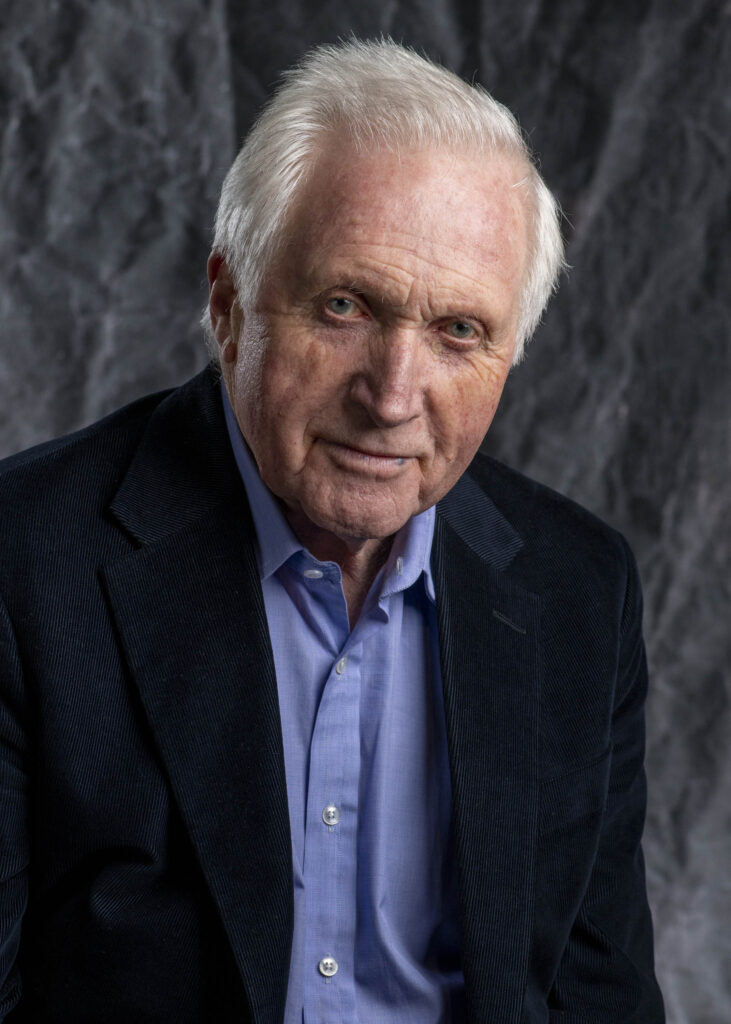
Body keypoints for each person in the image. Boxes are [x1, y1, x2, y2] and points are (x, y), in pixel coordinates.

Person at [0, 38, 664, 1023]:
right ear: (227, 304)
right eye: (346, 306)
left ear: (508, 354)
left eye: (457, 332)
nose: (392, 395)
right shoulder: (25, 562)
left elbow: (597, 998)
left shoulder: (578, 589)